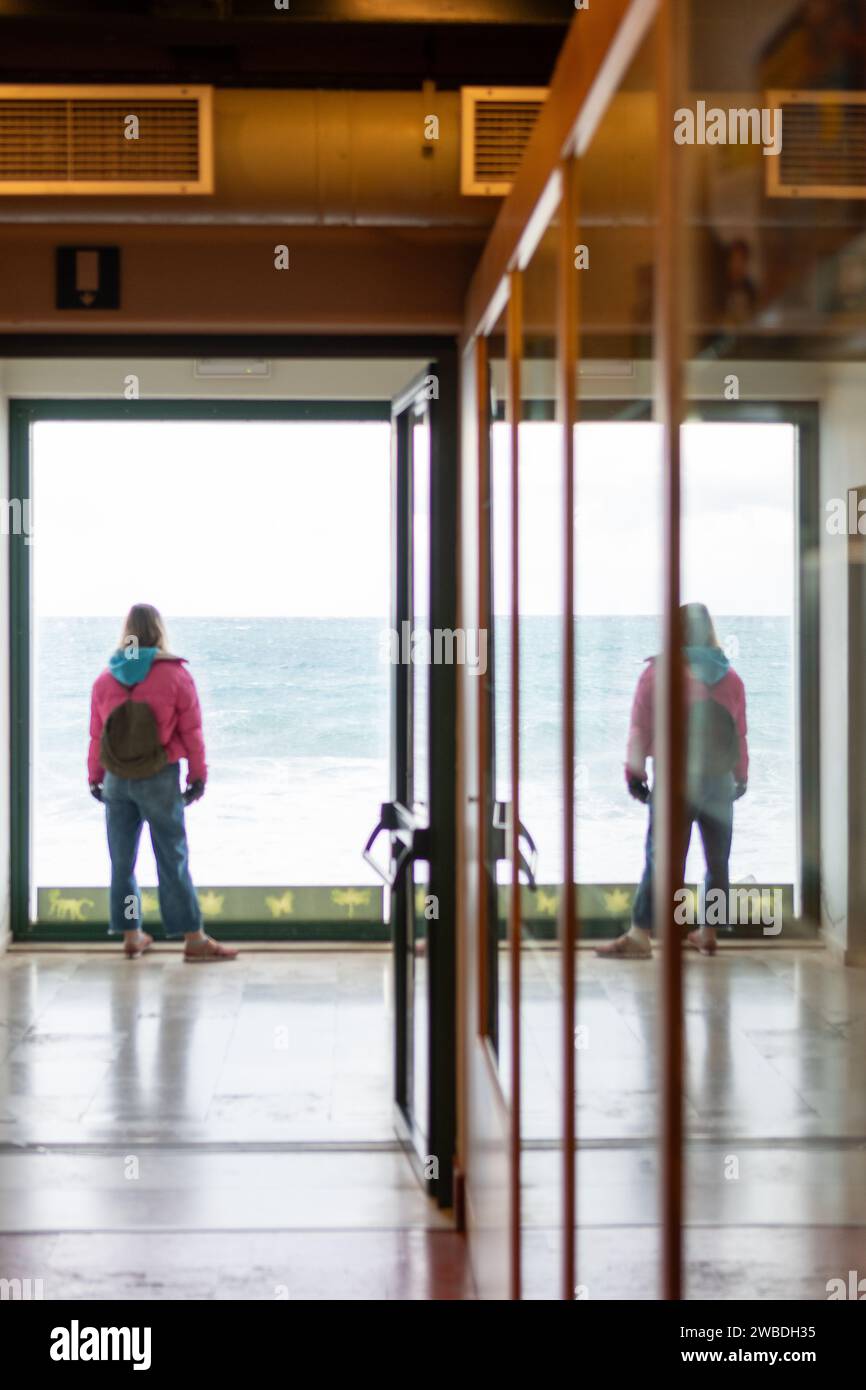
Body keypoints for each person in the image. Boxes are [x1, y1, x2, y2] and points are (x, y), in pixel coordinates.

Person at [597, 602, 748, 960]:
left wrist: (635, 775)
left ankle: (640, 934)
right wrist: (741, 776)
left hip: (676, 778)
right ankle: (709, 933)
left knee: (661, 856)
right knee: (717, 859)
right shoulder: (731, 678)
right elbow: (739, 734)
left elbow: (640, 728)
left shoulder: (658, 674)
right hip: (719, 780)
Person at [87, 603, 238, 962]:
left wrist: (94, 777)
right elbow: (192, 733)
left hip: (115, 780)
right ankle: (194, 939)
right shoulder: (175, 676)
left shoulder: (105, 679)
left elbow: (96, 736)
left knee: (122, 862)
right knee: (172, 857)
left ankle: (131, 934)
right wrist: (198, 776)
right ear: (157, 631)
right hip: (157, 778)